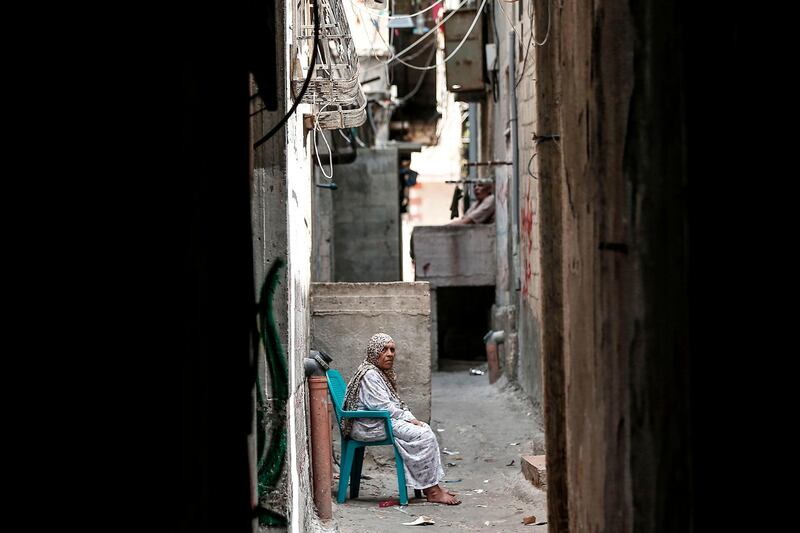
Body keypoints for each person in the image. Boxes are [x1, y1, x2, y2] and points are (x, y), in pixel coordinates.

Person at [342, 333, 461, 505]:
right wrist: (407, 417)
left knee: (425, 429)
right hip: (369, 425)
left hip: (379, 421)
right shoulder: (370, 375)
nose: (390, 354)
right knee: (424, 436)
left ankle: (431, 486)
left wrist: (409, 418)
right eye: (384, 349)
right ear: (374, 352)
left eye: (392, 349)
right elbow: (383, 407)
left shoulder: (377, 372)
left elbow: (392, 405)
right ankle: (432, 492)